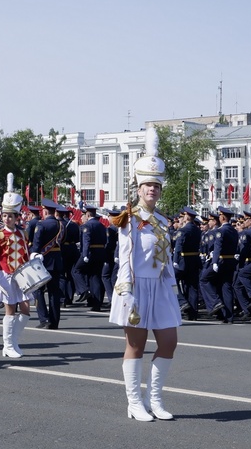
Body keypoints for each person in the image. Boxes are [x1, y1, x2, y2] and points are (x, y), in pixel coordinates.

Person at [109, 126, 180, 422]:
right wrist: (126, 289)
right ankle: (134, 402)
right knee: (135, 345)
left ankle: (155, 400)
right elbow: (125, 256)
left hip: (160, 288)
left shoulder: (163, 221)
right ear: (138, 188)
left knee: (169, 342)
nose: (152, 190)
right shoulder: (129, 219)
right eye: (147, 186)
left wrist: (173, 287)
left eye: (157, 186)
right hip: (136, 287)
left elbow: (167, 260)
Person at [0, 173, 31, 358]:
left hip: (22, 276)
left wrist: (33, 256)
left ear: (17, 217)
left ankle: (13, 341)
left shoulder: (22, 235)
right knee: (10, 310)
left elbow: (25, 254)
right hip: (6, 276)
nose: (7, 219)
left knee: (26, 310)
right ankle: (8, 345)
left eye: (10, 216)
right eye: (4, 215)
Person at [30, 199, 65, 329]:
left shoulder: (41, 225)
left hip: (43, 262)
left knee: (38, 290)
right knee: (54, 292)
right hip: (56, 261)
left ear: (44, 211)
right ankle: (55, 321)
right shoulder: (61, 225)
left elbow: (37, 245)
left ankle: (44, 319)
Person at [73, 205, 107, 311]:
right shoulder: (101, 225)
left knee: (76, 270)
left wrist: (85, 255)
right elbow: (105, 240)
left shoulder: (87, 225)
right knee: (95, 277)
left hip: (90, 253)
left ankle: (84, 290)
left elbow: (86, 241)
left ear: (88, 215)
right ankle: (96, 304)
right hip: (100, 253)